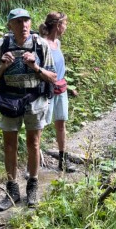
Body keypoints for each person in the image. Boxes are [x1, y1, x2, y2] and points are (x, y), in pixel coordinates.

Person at [0, 8, 57, 211]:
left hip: (35, 100)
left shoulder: (40, 45)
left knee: (34, 144)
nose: (23, 25)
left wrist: (35, 66)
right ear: (10, 25)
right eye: (18, 22)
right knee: (9, 145)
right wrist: (3, 67)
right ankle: (12, 190)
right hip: (9, 99)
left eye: (26, 21)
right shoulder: (2, 45)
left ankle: (32, 187)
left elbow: (53, 77)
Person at [39, 11, 76, 173]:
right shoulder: (42, 44)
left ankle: (62, 160)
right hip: (47, 91)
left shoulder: (58, 44)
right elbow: (37, 67)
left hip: (60, 90)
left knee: (61, 124)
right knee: (39, 126)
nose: (66, 27)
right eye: (64, 24)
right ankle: (33, 162)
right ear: (57, 25)